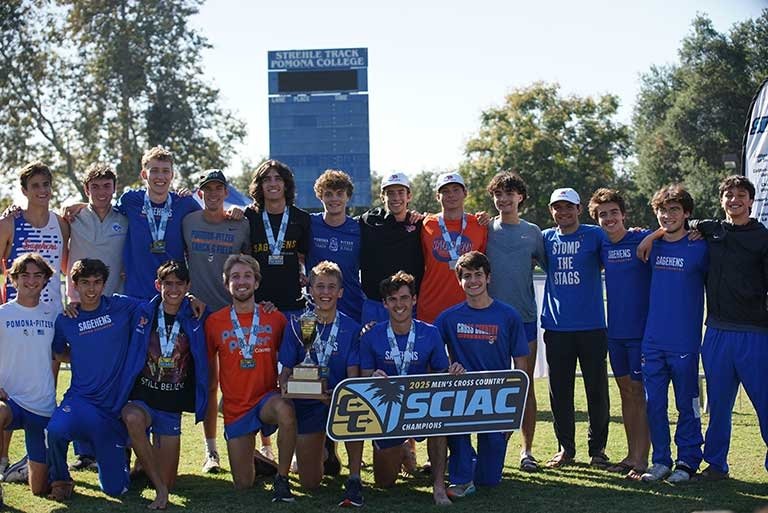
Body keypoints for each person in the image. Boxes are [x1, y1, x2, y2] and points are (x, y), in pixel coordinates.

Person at [46, 258, 147, 501]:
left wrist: (188, 298)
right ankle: (61, 480)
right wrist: (83, 356)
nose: (91, 289)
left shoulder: (122, 306)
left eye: (97, 282)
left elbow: (159, 304)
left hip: (110, 410)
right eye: (85, 283)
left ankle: (118, 455)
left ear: (104, 284)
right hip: (80, 400)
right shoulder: (67, 319)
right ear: (75, 286)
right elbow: (59, 352)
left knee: (116, 490)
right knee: (54, 431)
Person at [689, 176, 768, 480]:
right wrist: (694, 227)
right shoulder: (712, 230)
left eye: (741, 195)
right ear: (721, 200)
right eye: (728, 195)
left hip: (755, 334)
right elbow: (687, 220)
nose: (734, 200)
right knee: (718, 407)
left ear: (751, 201)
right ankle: (716, 465)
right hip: (717, 332)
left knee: (764, 404)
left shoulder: (763, 237)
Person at [359, 271, 461, 506]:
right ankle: (404, 449)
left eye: (404, 298)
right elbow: (363, 377)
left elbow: (439, 375)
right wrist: (373, 376)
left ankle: (438, 486)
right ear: (384, 303)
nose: (399, 304)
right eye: (393, 299)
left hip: (421, 406)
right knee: (384, 483)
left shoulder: (431, 333)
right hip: (388, 411)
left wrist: (451, 372)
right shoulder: (371, 335)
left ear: (414, 300)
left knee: (439, 420)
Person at [435, 251, 529, 497]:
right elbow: (431, 354)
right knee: (459, 442)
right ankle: (461, 473)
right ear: (459, 281)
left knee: (489, 481)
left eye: (478, 275)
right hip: (461, 399)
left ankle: (473, 462)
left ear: (488, 278)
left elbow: (521, 363)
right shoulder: (447, 318)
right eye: (467, 276)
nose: (473, 280)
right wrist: (448, 367)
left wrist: (513, 413)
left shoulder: (508, 315)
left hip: (496, 399)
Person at [204, 254, 298, 501]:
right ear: (226, 284)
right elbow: (205, 365)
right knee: (243, 484)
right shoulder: (214, 322)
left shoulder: (275, 318)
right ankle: (259, 459)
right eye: (235, 277)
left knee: (286, 410)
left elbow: (293, 356)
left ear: (257, 283)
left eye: (247, 276)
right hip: (236, 408)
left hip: (267, 399)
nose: (241, 281)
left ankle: (282, 478)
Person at [0, 161, 68, 483]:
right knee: (9, 385)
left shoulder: (61, 223)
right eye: (36, 186)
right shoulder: (11, 222)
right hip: (14, 313)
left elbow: (67, 267)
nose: (43, 191)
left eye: (47, 185)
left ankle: (35, 456)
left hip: (50, 314)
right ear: (25, 190)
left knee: (45, 386)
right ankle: (3, 458)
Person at [122, 261, 209, 509]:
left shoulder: (198, 315)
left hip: (171, 407)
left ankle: (144, 463)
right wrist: (75, 305)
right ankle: (151, 475)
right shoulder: (141, 311)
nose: (173, 289)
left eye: (179, 284)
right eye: (167, 283)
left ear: (187, 286)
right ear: (157, 285)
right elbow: (107, 301)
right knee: (132, 418)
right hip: (143, 401)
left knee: (169, 480)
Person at [278, 261, 364, 506]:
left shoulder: (351, 327)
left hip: (339, 402)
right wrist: (286, 387)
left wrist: (338, 396)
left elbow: (352, 374)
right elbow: (285, 370)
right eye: (320, 286)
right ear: (310, 290)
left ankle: (355, 479)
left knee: (355, 411)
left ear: (340, 292)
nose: (325, 292)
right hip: (307, 405)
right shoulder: (297, 324)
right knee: (310, 483)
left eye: (331, 287)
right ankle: (325, 451)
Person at [638, 184, 708, 484]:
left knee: (686, 405)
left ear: (687, 213)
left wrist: (700, 229)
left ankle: (688, 461)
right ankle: (661, 460)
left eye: (675, 209)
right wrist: (653, 234)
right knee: (654, 404)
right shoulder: (651, 246)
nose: (668, 215)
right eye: (662, 210)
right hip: (652, 341)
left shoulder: (700, 246)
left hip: (685, 342)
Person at [183, 169, 250, 474]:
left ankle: (262, 448)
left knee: (246, 383)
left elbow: (251, 267)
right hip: (200, 314)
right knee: (209, 385)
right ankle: (211, 451)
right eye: (207, 189)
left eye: (218, 189)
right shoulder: (188, 221)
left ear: (226, 192)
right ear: (200, 193)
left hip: (234, 313)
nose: (212, 194)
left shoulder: (241, 223)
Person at [65, 162, 129, 472]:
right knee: (82, 378)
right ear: (86, 189)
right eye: (95, 186)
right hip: (79, 308)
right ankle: (84, 451)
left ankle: (112, 443)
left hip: (112, 309)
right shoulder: (74, 218)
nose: (102, 192)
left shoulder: (124, 219)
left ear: (114, 188)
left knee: (112, 379)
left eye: (107, 186)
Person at [541, 187, 611, 469]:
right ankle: (565, 449)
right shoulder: (544, 238)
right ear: (551, 211)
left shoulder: (595, 234)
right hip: (557, 328)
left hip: (592, 326)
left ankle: (598, 450)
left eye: (568, 207)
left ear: (579, 209)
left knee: (597, 390)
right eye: (558, 207)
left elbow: (619, 244)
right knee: (560, 391)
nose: (563, 212)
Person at [244, 159, 309, 461]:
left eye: (278, 178)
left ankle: (294, 448)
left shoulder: (300, 218)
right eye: (266, 179)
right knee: (260, 377)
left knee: (293, 378)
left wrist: (307, 276)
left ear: (286, 184)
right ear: (259, 185)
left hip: (293, 310)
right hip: (260, 310)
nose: (272, 183)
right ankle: (263, 446)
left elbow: (310, 259)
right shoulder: (248, 217)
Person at [588, 188, 651, 478]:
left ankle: (642, 460)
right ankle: (630, 454)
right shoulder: (602, 246)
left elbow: (669, 229)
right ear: (597, 219)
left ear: (623, 214)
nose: (609, 218)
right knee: (626, 393)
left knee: (639, 393)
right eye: (603, 214)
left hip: (641, 333)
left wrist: (652, 235)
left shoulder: (640, 238)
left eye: (614, 212)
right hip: (615, 334)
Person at [484, 171, 545, 472]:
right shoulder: (484, 229)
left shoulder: (534, 232)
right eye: (498, 194)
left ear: (520, 197)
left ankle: (527, 450)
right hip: (490, 323)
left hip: (524, 320)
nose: (503, 199)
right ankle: (492, 448)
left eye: (509, 194)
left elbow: (552, 263)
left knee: (524, 385)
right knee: (494, 385)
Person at [0, 254, 57, 496]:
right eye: (24, 276)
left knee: (39, 490)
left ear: (45, 280)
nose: (31, 281)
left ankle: (24, 468)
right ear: (13, 279)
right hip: (9, 401)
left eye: (37, 276)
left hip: (42, 406)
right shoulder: (3, 314)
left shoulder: (55, 315)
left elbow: (66, 352)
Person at [117, 146, 201, 299]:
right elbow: (103, 209)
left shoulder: (184, 202)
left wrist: (232, 212)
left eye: (165, 171)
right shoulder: (130, 200)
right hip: (137, 295)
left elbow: (210, 219)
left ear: (172, 175)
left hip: (173, 295)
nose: (160, 176)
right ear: (144, 174)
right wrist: (79, 206)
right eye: (154, 170)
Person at [418, 172, 487, 324]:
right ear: (438, 197)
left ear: (465, 193)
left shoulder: (480, 225)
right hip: (430, 308)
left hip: (468, 309)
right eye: (445, 191)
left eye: (456, 189)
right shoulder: (425, 224)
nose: (451, 195)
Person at [359, 172, 424, 325]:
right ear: (382, 197)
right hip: (375, 304)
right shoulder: (369, 221)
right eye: (390, 193)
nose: (396, 197)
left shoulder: (420, 224)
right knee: (371, 347)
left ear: (409, 196)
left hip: (408, 306)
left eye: (401, 192)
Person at [309, 169, 366, 323]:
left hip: (352, 307)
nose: (334, 199)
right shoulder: (308, 224)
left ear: (348, 197)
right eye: (328, 194)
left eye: (340, 193)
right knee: (311, 346)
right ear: (320, 196)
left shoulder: (359, 228)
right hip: (314, 309)